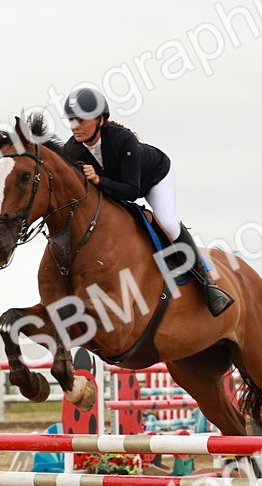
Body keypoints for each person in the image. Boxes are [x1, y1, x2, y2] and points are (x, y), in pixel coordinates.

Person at [59, 87, 233, 317]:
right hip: (117, 185)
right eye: (71, 120)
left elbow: (132, 190)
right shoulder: (72, 149)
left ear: (101, 119)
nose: (74, 126)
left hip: (153, 179)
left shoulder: (123, 140)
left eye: (81, 119)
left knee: (168, 223)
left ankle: (207, 284)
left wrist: (99, 180)